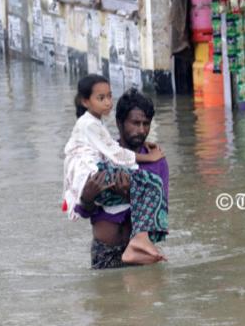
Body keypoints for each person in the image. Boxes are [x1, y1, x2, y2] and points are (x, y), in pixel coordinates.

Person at [63, 75, 168, 267]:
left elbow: (159, 208)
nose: (141, 130)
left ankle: (139, 243)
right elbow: (86, 211)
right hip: (105, 250)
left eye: (146, 124)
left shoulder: (158, 162)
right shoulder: (105, 158)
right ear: (119, 123)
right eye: (135, 123)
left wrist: (129, 194)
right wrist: (87, 198)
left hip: (141, 254)